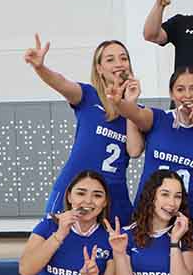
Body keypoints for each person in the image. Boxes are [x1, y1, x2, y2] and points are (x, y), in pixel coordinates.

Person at [25, 36, 135, 225]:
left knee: (119, 249)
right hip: (75, 188)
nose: (119, 64)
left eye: (123, 58)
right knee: (54, 243)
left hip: (113, 193)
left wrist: (131, 105)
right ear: (99, 69)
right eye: (110, 59)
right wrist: (40, 67)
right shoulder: (88, 96)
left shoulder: (136, 111)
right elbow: (61, 82)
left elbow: (134, 150)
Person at [112, 67, 193, 232]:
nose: (188, 95)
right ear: (171, 94)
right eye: (180, 89)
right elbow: (135, 114)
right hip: (148, 210)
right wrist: (122, 102)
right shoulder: (159, 118)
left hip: (186, 214)